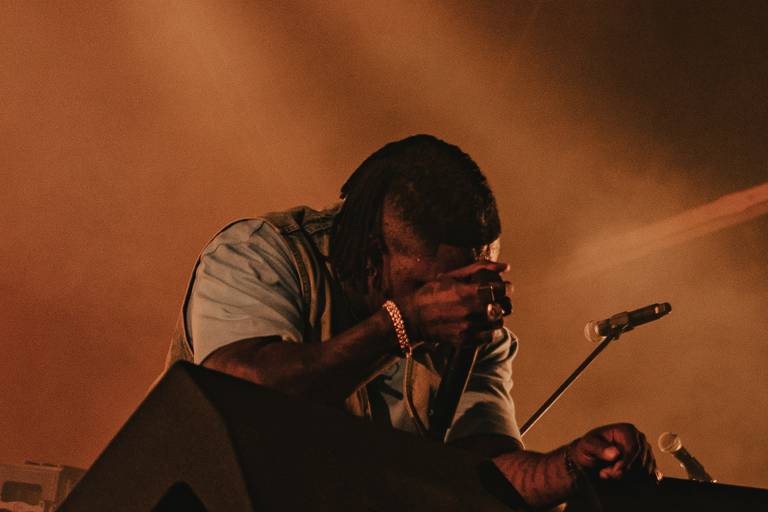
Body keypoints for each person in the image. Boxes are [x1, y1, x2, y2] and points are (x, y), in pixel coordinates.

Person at [164, 134, 655, 509]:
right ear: (373, 257)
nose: (459, 299)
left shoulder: (470, 323)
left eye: (472, 278)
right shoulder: (260, 255)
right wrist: (402, 324)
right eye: (435, 285)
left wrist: (569, 465)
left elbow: (483, 476)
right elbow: (243, 396)